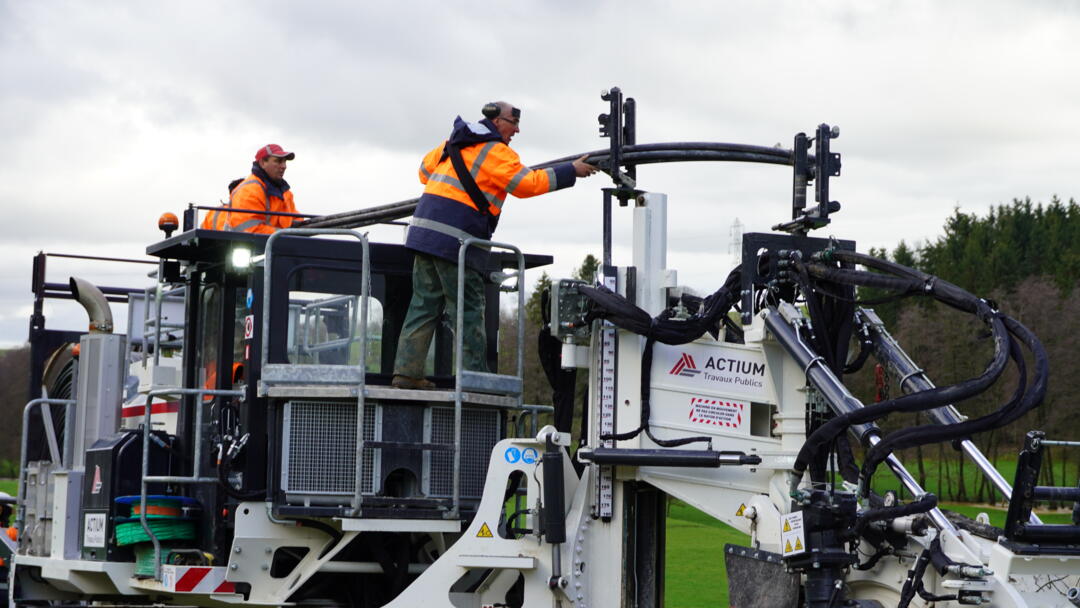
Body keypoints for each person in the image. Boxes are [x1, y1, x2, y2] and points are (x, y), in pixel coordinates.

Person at [392, 101, 598, 389]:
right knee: (468, 308)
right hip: (456, 241)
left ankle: (406, 372)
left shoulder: (454, 140)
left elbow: (424, 173)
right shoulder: (496, 151)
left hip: (425, 235)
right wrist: (570, 171)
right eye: (513, 122)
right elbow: (526, 184)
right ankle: (475, 380)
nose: (517, 129)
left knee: (424, 305)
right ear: (496, 121)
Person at [201, 144, 299, 234]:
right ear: (262, 163)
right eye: (278, 161)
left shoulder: (285, 194)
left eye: (284, 161)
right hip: (235, 248)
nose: (284, 166)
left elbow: (295, 221)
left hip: (273, 247)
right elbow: (249, 230)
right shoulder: (249, 191)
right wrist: (286, 234)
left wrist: (306, 227)